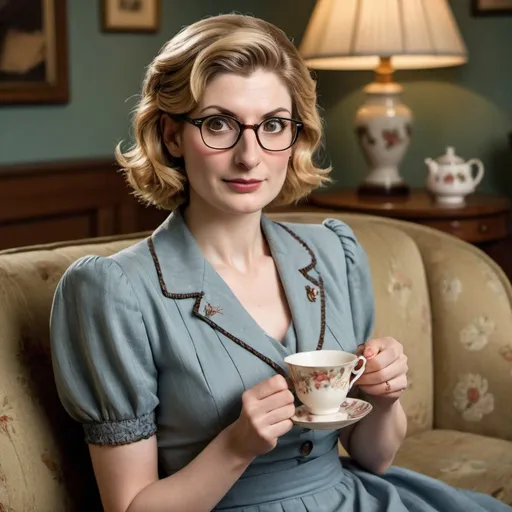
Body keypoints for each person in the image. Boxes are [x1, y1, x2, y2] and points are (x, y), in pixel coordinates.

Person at [49, 13, 511, 512]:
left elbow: (373, 456)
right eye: (219, 124)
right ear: (171, 135)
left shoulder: (334, 251)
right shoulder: (113, 292)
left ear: (296, 135)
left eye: (272, 125)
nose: (250, 156)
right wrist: (235, 447)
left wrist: (385, 396)